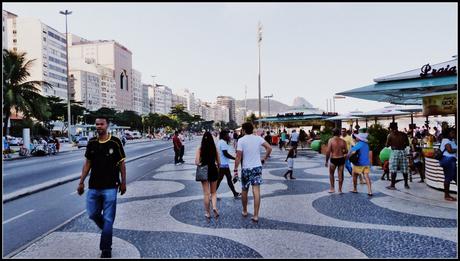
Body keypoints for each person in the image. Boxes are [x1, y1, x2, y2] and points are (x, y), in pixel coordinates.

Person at [77, 116, 127, 258]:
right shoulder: (92, 142)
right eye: (97, 124)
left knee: (109, 219)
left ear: (107, 125)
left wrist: (123, 182)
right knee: (92, 214)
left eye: (101, 124)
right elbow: (88, 163)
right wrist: (81, 181)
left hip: (110, 187)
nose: (99, 126)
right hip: (93, 186)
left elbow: (122, 164)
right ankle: (106, 229)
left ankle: (106, 249)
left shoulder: (115, 142)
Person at [233, 122, 272, 223]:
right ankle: (255, 215)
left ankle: (245, 211)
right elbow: (269, 148)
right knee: (256, 191)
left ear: (244, 130)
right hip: (257, 168)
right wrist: (264, 158)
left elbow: (238, 156)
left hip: (246, 168)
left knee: (244, 190)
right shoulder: (258, 138)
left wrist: (235, 169)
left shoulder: (241, 140)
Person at [195, 131, 221, 219]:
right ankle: (214, 207)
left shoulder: (200, 149)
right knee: (213, 192)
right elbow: (219, 162)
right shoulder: (214, 148)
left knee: (206, 194)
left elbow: (197, 162)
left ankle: (207, 213)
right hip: (213, 169)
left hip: (204, 170)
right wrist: (218, 167)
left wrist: (201, 163)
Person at [216, 130, 241, 199]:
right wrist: (234, 158)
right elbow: (225, 154)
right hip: (223, 165)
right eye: (227, 135)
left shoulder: (220, 142)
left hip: (223, 164)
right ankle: (211, 195)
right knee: (220, 180)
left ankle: (235, 193)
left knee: (228, 179)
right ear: (224, 136)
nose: (228, 136)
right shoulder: (223, 143)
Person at [386, 122, 410, 190]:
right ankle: (406, 184)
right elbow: (407, 144)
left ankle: (392, 185)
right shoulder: (404, 134)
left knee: (393, 169)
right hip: (403, 152)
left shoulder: (390, 135)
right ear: (397, 127)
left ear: (390, 128)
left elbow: (387, 145)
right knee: (404, 168)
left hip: (395, 152)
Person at [325, 128, 348, 193]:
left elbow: (328, 151)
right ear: (339, 133)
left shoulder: (331, 140)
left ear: (333, 133)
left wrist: (326, 161)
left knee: (331, 174)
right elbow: (346, 151)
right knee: (341, 174)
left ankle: (332, 188)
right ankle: (340, 189)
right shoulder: (343, 141)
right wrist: (342, 151)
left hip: (333, 159)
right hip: (341, 159)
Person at [439, 128, 457, 201]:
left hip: (451, 160)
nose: (454, 134)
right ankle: (446, 195)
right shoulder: (445, 140)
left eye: (454, 133)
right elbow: (449, 150)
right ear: (448, 133)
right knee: (448, 177)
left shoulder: (452, 140)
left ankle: (447, 194)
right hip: (448, 160)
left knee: (455, 176)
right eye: (452, 133)